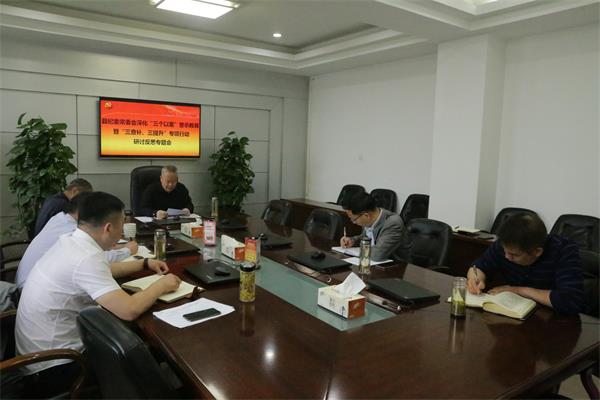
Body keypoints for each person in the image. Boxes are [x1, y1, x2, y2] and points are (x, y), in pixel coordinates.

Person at [15, 192, 181, 394]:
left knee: (140, 341)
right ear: (108, 228)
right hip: (54, 367)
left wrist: (144, 263)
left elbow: (103, 270)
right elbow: (129, 310)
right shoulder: (86, 258)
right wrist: (162, 285)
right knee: (143, 353)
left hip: (36, 355)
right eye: (122, 223)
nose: (123, 229)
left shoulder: (71, 241)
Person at [467, 212, 584, 315]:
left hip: (553, 320)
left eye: (514, 255)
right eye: (505, 251)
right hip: (516, 313)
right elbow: (479, 266)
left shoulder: (563, 250)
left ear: (537, 252)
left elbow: (570, 300)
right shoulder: (506, 244)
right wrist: (475, 278)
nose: (507, 257)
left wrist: (518, 290)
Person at [16, 192, 138, 290]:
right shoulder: (71, 231)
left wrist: (119, 247)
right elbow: (96, 258)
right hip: (28, 287)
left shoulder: (60, 218)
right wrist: (127, 251)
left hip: (31, 283)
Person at [339, 191, 406, 261]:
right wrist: (352, 241)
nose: (353, 222)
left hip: (394, 265)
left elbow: (377, 255)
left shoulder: (393, 223)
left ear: (366, 216)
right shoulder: (370, 219)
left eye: (354, 219)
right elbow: (365, 237)